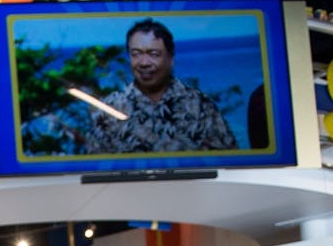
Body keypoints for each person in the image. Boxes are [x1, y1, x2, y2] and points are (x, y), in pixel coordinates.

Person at [84, 18, 239, 155]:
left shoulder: (200, 106)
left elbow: (228, 161)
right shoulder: (110, 108)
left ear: (170, 58)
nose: (144, 63)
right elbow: (94, 167)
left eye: (153, 54)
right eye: (136, 54)